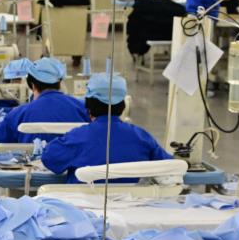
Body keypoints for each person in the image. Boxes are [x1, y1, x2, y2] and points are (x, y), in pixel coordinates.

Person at [41, 72, 172, 182]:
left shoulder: (77, 137)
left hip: (82, 203)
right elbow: (169, 166)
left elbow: (49, 159)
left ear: (89, 105)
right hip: (130, 202)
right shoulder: (141, 137)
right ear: (122, 105)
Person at [0, 57, 89, 151]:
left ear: (31, 85)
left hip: (32, 169)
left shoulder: (20, 113)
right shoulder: (83, 107)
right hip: (75, 168)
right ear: (59, 83)